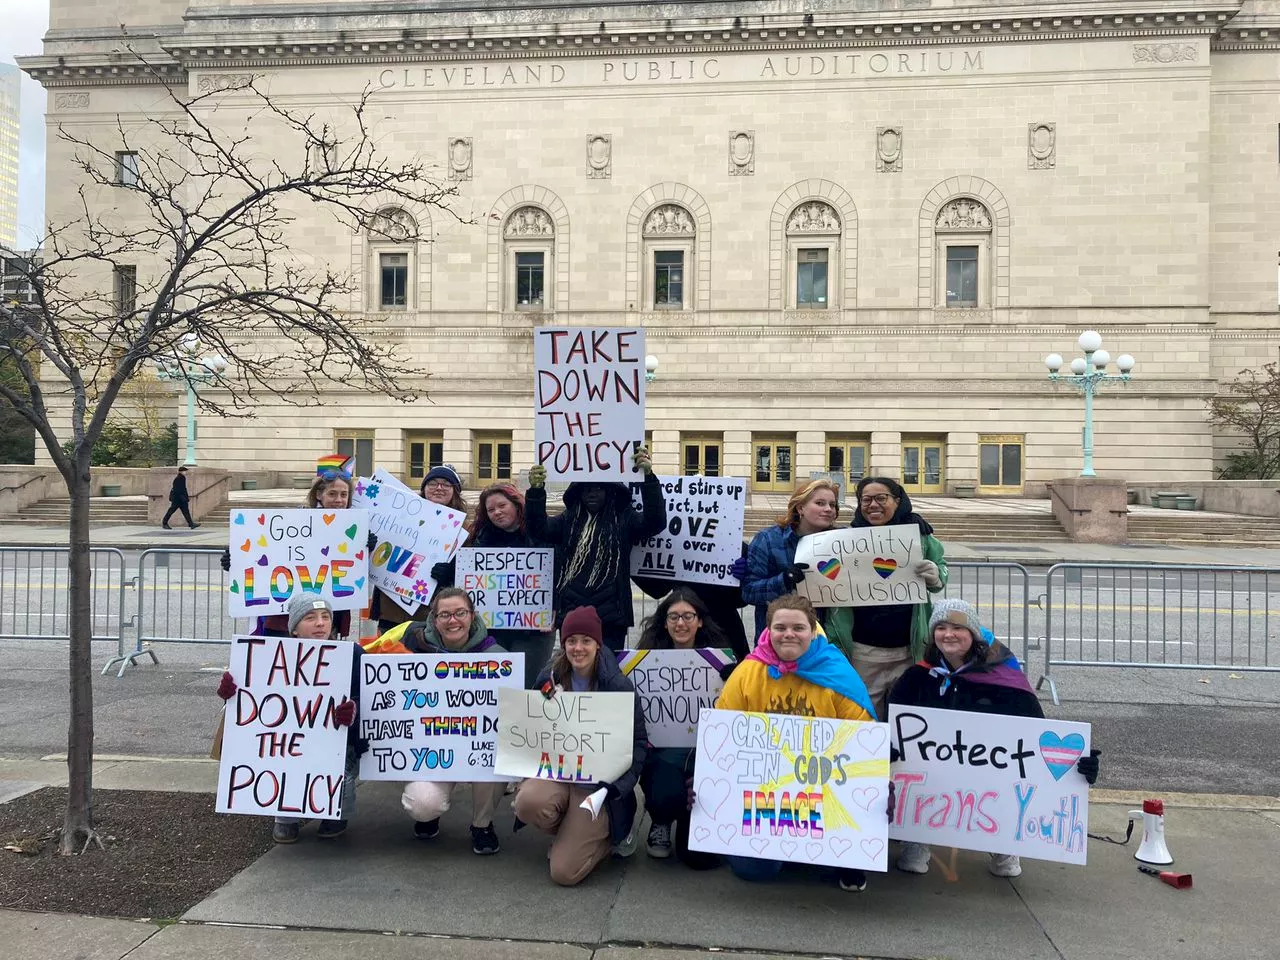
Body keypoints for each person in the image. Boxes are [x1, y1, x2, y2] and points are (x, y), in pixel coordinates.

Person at [887, 599, 1101, 878]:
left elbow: (1038, 734)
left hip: (990, 774)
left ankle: (1006, 843)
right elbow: (893, 725)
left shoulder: (1004, 676)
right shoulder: (918, 676)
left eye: (957, 627)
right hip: (933, 776)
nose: (948, 634)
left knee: (1007, 780)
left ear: (973, 633)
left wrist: (1078, 764)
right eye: (940, 627)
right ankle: (918, 836)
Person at [715, 593, 877, 891]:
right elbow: (723, 736)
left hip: (826, 790)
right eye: (780, 627)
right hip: (765, 793)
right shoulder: (748, 673)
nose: (789, 634)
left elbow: (861, 740)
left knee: (832, 858)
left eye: (798, 627)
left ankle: (823, 853)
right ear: (768, 630)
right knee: (753, 870)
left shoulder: (836, 673)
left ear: (813, 630)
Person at [512, 605, 649, 886]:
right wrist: (523, 765)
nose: (578, 648)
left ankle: (612, 837)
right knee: (527, 802)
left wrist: (615, 789)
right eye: (571, 641)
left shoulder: (617, 686)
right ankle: (570, 832)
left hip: (598, 787)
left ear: (598, 644)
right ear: (563, 644)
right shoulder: (549, 677)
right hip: (560, 775)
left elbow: (637, 747)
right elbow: (533, 729)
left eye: (586, 641)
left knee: (563, 873)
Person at [215, 591, 360, 843]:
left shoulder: (352, 654)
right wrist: (229, 693)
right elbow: (251, 704)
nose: (320, 623)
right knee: (283, 762)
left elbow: (370, 698)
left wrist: (352, 710)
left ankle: (336, 814)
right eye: (310, 617)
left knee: (343, 777)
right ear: (293, 629)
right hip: (290, 743)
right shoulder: (266, 656)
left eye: (325, 616)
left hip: (339, 742)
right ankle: (285, 818)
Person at [379, 587, 505, 855]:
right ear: (434, 620)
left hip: (476, 749)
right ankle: (431, 814)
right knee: (422, 805)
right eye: (445, 614)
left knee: (496, 753)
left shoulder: (496, 656)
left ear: (472, 616)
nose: (453, 620)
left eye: (460, 613)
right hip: (432, 750)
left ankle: (482, 825)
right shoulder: (412, 647)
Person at [525, 448, 666, 646]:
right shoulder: (568, 519)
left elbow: (655, 522)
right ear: (578, 493)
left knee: (607, 671)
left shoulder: (624, 518)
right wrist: (536, 491)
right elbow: (538, 529)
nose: (592, 493)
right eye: (586, 489)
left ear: (610, 492)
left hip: (611, 619)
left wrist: (649, 478)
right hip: (572, 615)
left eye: (598, 488)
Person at [634, 588, 732, 865]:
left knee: (698, 860)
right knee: (664, 783)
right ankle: (661, 819)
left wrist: (735, 676)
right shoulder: (645, 660)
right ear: (664, 622)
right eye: (673, 616)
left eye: (688, 616)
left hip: (705, 760)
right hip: (662, 759)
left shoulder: (720, 661)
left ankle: (695, 819)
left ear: (700, 620)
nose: (681, 623)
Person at [429, 482, 553, 688]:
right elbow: (464, 578)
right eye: (491, 509)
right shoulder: (479, 538)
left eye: (501, 506)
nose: (496, 512)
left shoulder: (541, 534)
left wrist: (553, 607)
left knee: (527, 687)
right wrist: (448, 573)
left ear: (516, 504)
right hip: (492, 629)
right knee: (494, 687)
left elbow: (556, 574)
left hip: (534, 630)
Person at [220, 457, 356, 639]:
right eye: (332, 494)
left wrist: (366, 548)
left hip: (325, 621)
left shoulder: (353, 532)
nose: (339, 500)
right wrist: (236, 560)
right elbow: (262, 557)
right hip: (282, 619)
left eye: (344, 494)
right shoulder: (291, 521)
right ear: (319, 495)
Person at [848, 476, 948, 720]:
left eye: (881, 498)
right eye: (866, 499)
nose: (873, 505)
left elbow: (941, 573)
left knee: (906, 717)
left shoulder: (921, 536)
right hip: (863, 651)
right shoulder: (846, 539)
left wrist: (936, 575)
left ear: (898, 500)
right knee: (864, 717)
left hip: (908, 649)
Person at [370, 465, 469, 634]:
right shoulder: (400, 515)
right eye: (433, 483)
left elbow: (468, 569)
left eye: (446, 484)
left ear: (455, 491)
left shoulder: (464, 530)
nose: (439, 488)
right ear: (424, 489)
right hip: (392, 606)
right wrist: (370, 545)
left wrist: (451, 573)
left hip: (433, 610)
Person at [741, 479, 840, 642]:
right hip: (779, 642)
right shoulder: (768, 540)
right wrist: (784, 580)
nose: (828, 509)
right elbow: (749, 592)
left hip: (824, 642)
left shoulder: (841, 542)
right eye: (820, 503)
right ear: (800, 507)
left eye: (832, 504)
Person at [633, 543, 751, 661]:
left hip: (725, 627)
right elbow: (657, 589)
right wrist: (633, 563)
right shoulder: (675, 539)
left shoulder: (733, 544)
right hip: (683, 619)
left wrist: (746, 579)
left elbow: (742, 599)